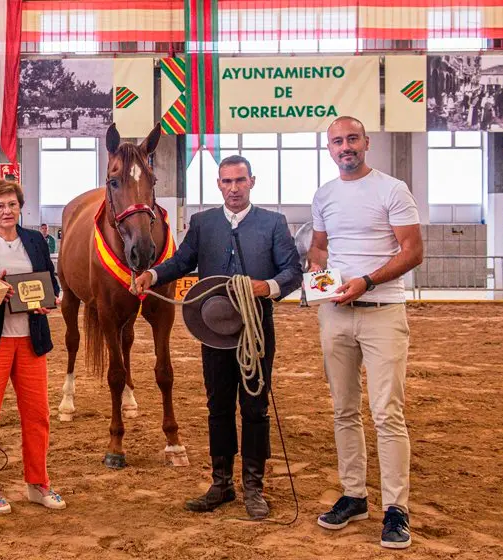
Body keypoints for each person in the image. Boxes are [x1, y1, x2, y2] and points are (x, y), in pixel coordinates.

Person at [133, 155, 301, 520]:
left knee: (255, 407)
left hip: (254, 329)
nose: (234, 188)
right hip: (212, 330)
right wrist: (153, 274)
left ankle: (254, 486)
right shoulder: (202, 223)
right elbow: (181, 262)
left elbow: (293, 272)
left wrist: (267, 286)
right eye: (227, 182)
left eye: (240, 181)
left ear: (252, 182)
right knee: (218, 405)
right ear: (219, 185)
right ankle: (221, 483)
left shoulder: (273, 223)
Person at [308, 116, 423, 550]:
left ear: (366, 143)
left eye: (352, 139)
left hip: (382, 311)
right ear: (330, 148)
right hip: (335, 315)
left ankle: (397, 508)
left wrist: (368, 281)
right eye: (337, 141)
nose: (345, 147)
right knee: (343, 410)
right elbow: (320, 245)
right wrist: (318, 268)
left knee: (386, 412)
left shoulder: (392, 189)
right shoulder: (325, 195)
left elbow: (413, 250)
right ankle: (354, 494)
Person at [0, 179, 64, 515]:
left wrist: (47, 300)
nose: (7, 211)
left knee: (38, 416)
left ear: (19, 206)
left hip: (31, 339)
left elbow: (50, 280)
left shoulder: (36, 240)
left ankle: (38, 483)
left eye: (12, 204)